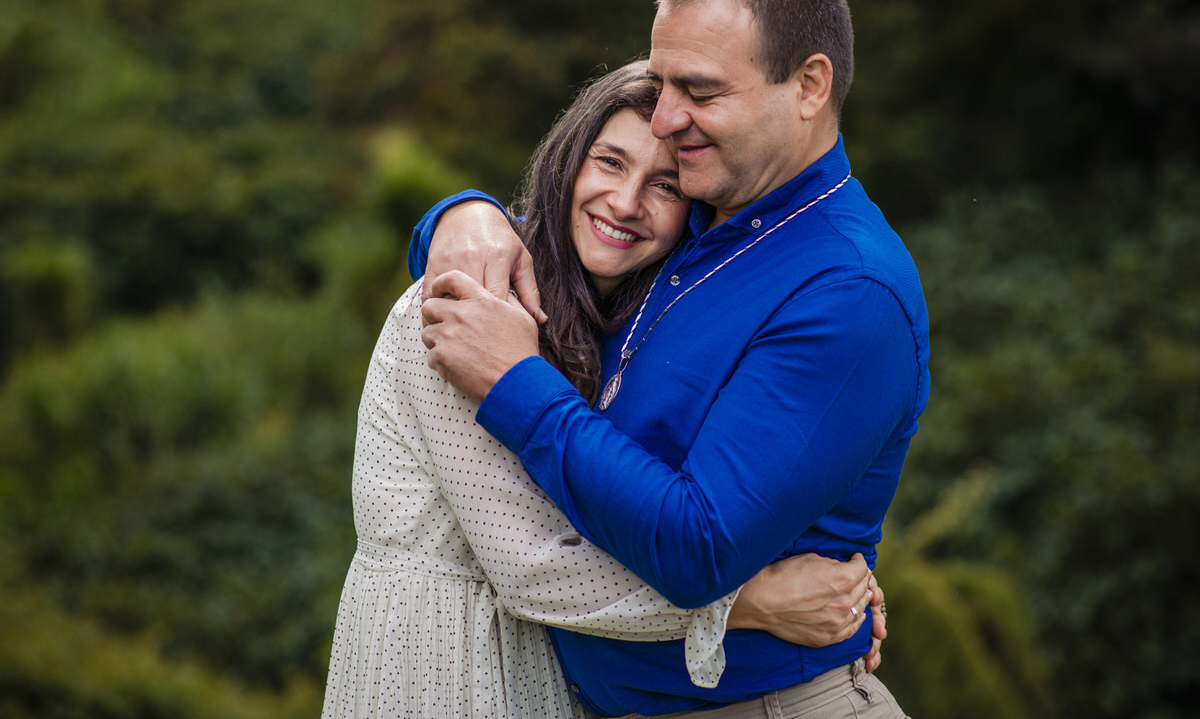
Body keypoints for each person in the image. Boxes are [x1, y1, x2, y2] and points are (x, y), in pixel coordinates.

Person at [415, 0, 927, 719]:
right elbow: (557, 240)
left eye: (700, 90)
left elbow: (697, 548)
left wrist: (516, 382)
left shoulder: (848, 290)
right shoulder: (699, 218)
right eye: (659, 84)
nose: (666, 117)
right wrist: (459, 217)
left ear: (809, 86)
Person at [323, 61, 885, 719]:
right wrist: (751, 603)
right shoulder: (467, 307)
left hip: (558, 675)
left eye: (665, 186)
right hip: (443, 664)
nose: (624, 201)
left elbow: (674, 498)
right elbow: (531, 565)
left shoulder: (640, 325)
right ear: (568, 161)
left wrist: (833, 579)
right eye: (610, 163)